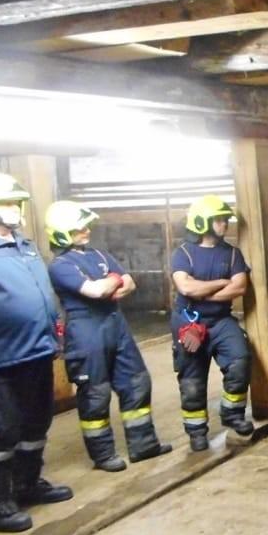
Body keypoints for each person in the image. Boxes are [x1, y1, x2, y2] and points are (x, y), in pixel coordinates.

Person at [46, 201, 172, 472]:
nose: (86, 230)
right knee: (95, 394)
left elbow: (131, 283)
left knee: (137, 382)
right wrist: (114, 280)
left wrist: (111, 283)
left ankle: (144, 446)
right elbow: (96, 291)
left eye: (86, 225)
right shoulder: (60, 265)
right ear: (61, 232)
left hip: (116, 326)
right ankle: (103, 456)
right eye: (78, 227)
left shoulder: (98, 255)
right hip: (85, 333)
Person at [0, 172, 72, 533]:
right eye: (7, 203)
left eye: (16, 203)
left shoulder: (25, 245)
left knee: (36, 422)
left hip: (37, 352)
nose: (15, 210)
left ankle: (28, 484)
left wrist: (55, 329)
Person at [169, 195, 253, 452]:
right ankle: (196, 431)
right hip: (188, 321)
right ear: (201, 222)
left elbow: (239, 287)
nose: (224, 224)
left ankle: (231, 413)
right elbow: (185, 286)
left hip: (220, 320)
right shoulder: (183, 253)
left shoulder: (232, 253)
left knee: (240, 359)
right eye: (218, 219)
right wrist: (220, 283)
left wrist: (202, 291)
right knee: (192, 380)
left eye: (225, 219)